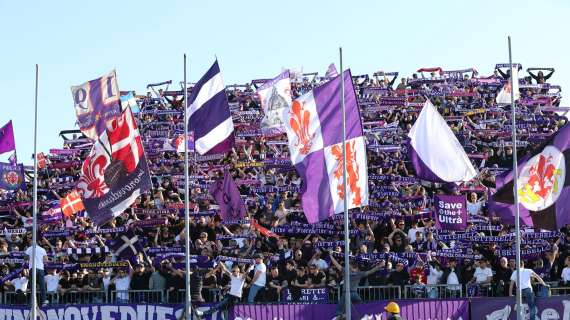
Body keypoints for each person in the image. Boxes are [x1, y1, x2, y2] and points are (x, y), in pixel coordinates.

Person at [329, 251, 382, 319]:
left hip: (346, 293)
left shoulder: (346, 271)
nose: (347, 266)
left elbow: (336, 264)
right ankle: (364, 316)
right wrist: (379, 266)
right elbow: (370, 272)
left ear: (351, 267)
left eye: (348, 265)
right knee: (361, 305)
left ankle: (338, 316)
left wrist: (331, 256)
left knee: (339, 310)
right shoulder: (359, 274)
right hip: (354, 294)